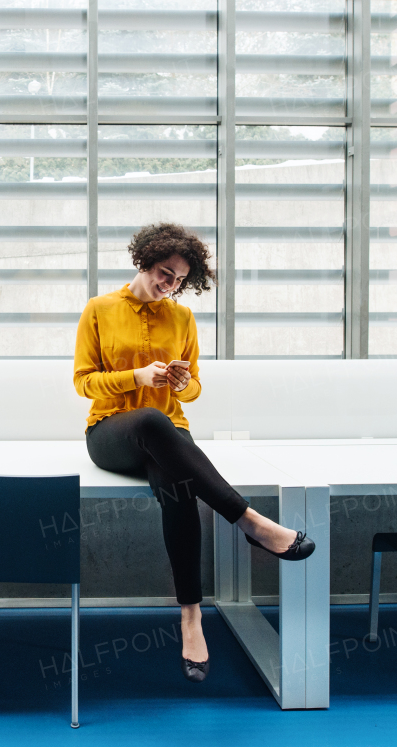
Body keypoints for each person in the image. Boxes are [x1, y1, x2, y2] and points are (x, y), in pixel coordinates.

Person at [73, 222, 314, 683]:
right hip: (112, 432)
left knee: (178, 487)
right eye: (166, 274)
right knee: (149, 419)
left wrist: (184, 385)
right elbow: (83, 381)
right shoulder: (99, 309)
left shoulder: (182, 318)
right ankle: (251, 520)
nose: (171, 285)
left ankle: (191, 616)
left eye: (180, 280)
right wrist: (136, 378)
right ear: (143, 261)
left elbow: (196, 386)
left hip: (169, 436)